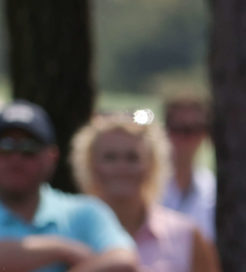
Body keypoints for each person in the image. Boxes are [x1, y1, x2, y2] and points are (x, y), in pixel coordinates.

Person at [0, 99, 140, 272]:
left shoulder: (86, 212)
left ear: (52, 156)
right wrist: (63, 250)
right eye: (5, 147)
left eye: (29, 149)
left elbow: (124, 262)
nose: (16, 158)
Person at [70, 112, 220, 272]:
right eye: (110, 157)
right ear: (91, 166)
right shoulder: (68, 230)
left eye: (132, 157)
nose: (122, 167)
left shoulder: (186, 236)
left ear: (151, 165)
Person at [160, 95, 216, 242]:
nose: (187, 137)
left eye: (194, 129)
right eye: (178, 129)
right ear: (165, 131)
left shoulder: (211, 188)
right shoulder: (147, 186)